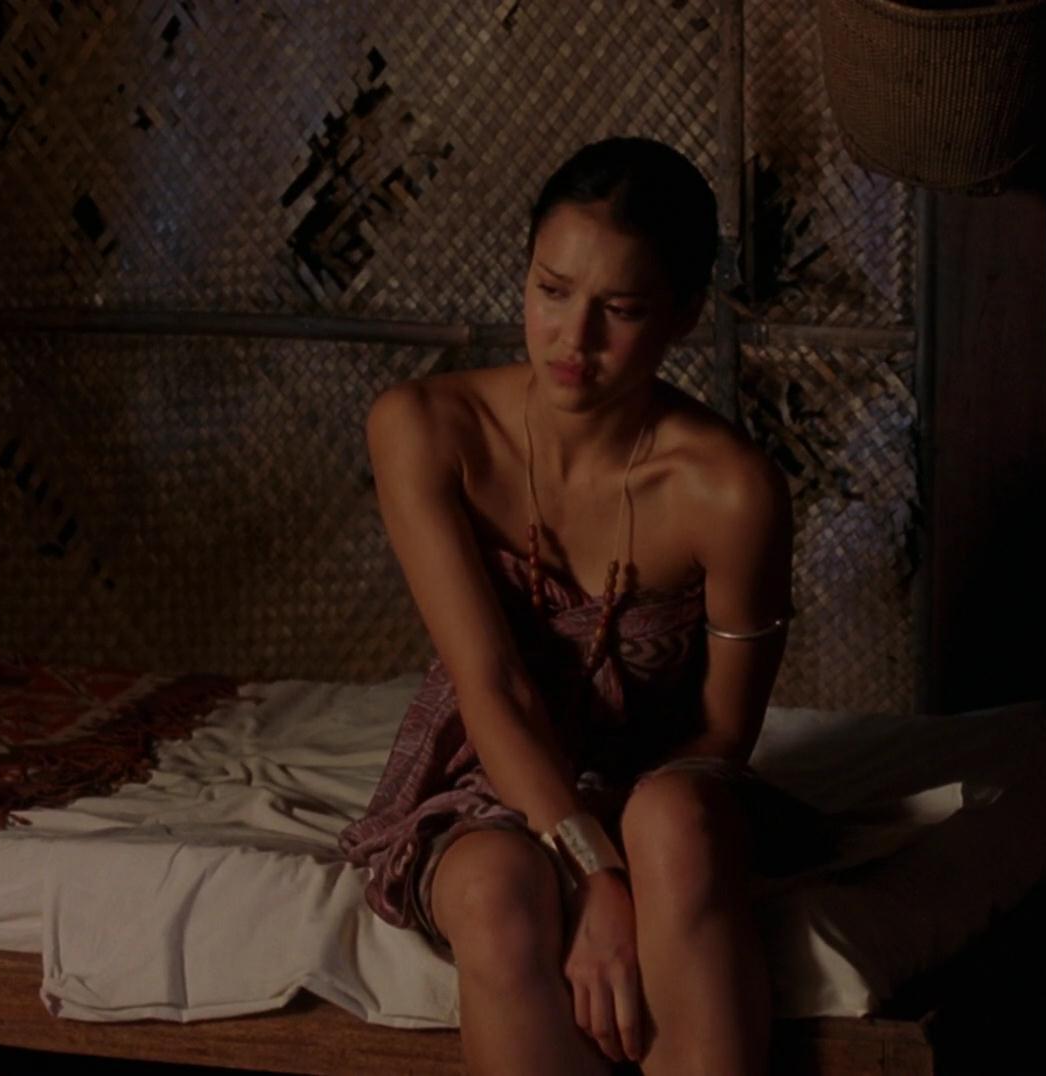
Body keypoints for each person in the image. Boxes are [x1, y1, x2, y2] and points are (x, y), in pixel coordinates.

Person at [338, 136, 835, 1076]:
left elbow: (724, 731)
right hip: (497, 776)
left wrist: (628, 848)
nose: (574, 339)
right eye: (552, 290)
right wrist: (591, 870)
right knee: (496, 893)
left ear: (683, 314)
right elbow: (493, 688)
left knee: (672, 827)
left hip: (664, 783)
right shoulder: (426, 429)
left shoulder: (731, 491)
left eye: (622, 310)